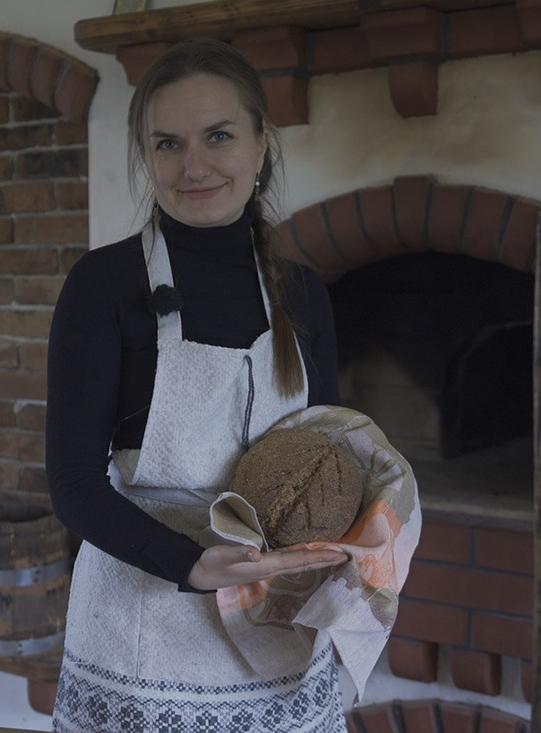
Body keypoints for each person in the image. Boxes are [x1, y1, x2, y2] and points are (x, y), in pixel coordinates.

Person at [45, 37, 349, 732]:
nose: (195, 165)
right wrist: (192, 564)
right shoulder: (104, 286)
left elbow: (328, 459)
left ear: (261, 145)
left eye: (218, 136)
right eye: (168, 144)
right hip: (142, 627)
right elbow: (72, 482)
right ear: (146, 158)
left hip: (280, 625)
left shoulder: (302, 293)